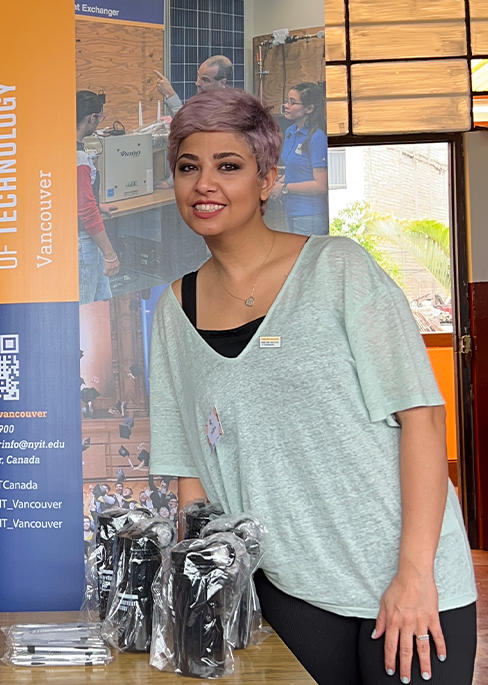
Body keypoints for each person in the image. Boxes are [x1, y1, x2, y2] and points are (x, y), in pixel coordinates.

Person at [148, 87, 476, 684]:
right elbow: (187, 465)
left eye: (229, 166)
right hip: (285, 589)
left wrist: (414, 573)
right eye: (188, 167)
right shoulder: (175, 309)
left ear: (268, 180)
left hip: (404, 579)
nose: (205, 184)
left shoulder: (338, 269)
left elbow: (422, 418)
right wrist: (210, 585)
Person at [77, 90, 120, 304]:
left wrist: (95, 202)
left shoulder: (60, 149)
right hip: (83, 243)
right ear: (91, 118)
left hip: (79, 241)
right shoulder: (79, 159)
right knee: (85, 308)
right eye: (100, 117)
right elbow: (86, 213)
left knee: (99, 303)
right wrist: (109, 254)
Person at [273, 82, 329, 235]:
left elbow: (321, 185)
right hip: (291, 210)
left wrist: (284, 188)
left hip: (309, 214)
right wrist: (277, 184)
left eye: (292, 102)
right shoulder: (291, 131)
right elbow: (295, 169)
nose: (286, 105)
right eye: (287, 101)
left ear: (309, 109)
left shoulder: (317, 137)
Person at [154, 55, 233, 115]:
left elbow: (188, 127)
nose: (197, 83)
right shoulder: (205, 97)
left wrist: (171, 95)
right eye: (198, 75)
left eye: (205, 80)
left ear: (222, 82)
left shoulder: (227, 107)